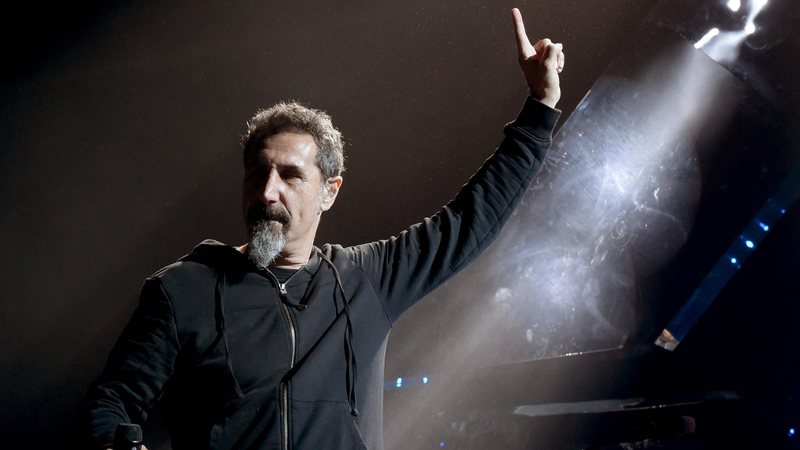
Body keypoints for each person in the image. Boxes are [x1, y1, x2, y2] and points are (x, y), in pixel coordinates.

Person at [76, 8, 565, 450]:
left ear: (329, 191)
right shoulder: (184, 289)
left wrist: (540, 108)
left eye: (290, 175)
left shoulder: (366, 280)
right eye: (257, 172)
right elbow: (108, 406)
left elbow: (467, 220)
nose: (268, 192)